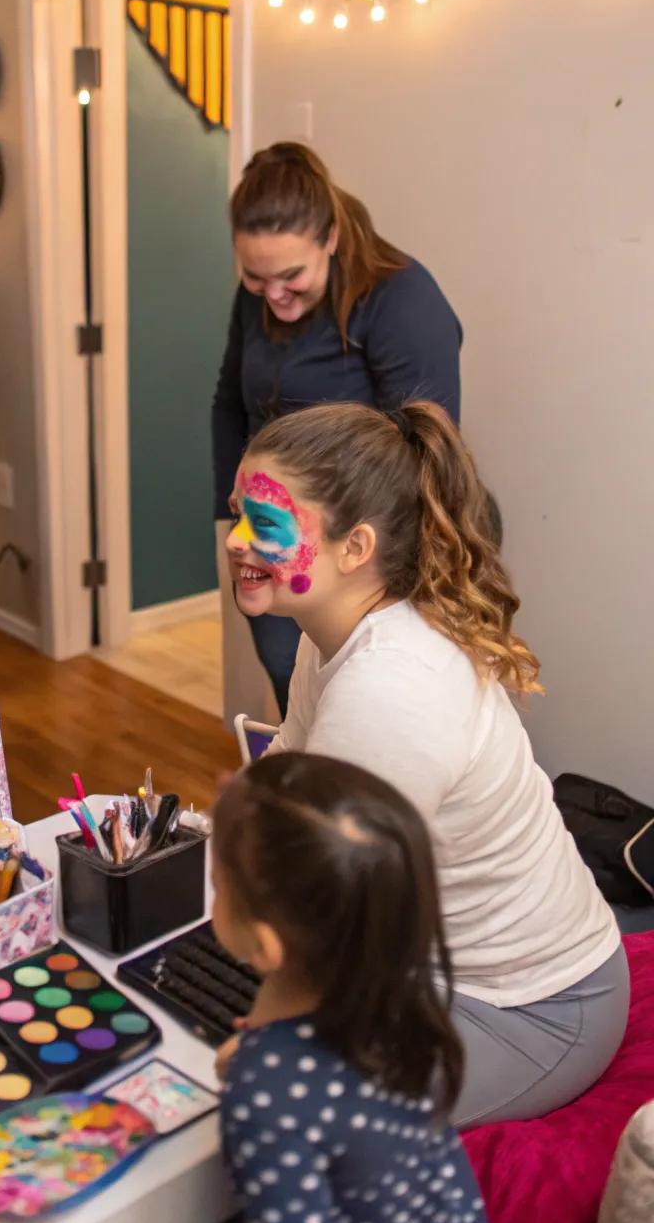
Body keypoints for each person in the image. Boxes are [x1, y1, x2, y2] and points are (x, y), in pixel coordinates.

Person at [226, 398, 627, 1126]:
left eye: (268, 523)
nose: (237, 541)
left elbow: (338, 914)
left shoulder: (392, 687)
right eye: (237, 512)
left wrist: (270, 1038)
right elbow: (285, 775)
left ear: (356, 549)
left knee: (278, 1099)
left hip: (530, 1009)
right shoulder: (330, 636)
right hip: (423, 968)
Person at [174, 752, 490, 1223]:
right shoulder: (397, 1004)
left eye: (219, 887)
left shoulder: (269, 1093)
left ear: (266, 945)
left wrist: (257, 1075)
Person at [214, 142, 462, 715]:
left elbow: (425, 454)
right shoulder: (259, 298)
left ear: (329, 237)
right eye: (255, 277)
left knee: (358, 699)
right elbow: (228, 402)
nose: (273, 297)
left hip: (364, 557)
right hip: (277, 537)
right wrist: (237, 517)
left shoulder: (402, 300)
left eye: (291, 277)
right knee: (293, 685)